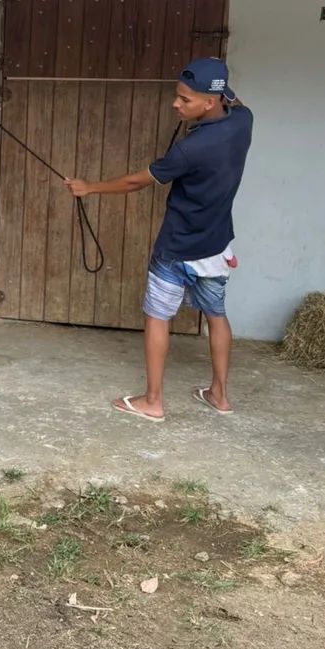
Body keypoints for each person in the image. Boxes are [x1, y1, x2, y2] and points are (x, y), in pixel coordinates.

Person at [65, 57, 252, 423]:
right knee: (216, 315)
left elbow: (136, 181)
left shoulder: (188, 150)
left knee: (157, 317)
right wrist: (220, 84)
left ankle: (153, 401)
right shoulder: (244, 121)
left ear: (209, 102)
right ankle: (219, 395)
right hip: (216, 247)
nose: (175, 104)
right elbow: (238, 102)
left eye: (184, 99)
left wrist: (89, 188)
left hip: (177, 249)